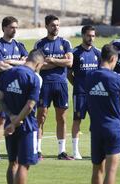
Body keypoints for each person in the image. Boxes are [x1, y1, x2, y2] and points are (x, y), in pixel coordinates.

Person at [0, 49, 44, 184]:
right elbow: (30, 105)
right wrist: (16, 122)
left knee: (12, 163)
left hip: (10, 124)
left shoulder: (8, 73)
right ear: (38, 63)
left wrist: (11, 117)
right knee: (24, 165)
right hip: (27, 127)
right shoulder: (34, 78)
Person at [86, 44, 120, 184]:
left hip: (96, 128)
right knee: (111, 170)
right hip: (113, 128)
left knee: (97, 168)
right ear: (113, 58)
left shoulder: (90, 76)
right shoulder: (118, 78)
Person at [34, 14, 73, 160]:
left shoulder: (65, 43)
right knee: (41, 117)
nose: (55, 28)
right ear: (46, 26)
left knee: (62, 118)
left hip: (61, 84)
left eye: (57, 25)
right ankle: (37, 150)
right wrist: (59, 61)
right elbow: (38, 65)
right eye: (52, 25)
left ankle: (62, 151)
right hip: (44, 85)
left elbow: (70, 63)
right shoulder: (40, 44)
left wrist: (51, 60)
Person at [0, 16, 28, 161]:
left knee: (20, 117)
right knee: (0, 119)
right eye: (12, 27)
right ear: (4, 28)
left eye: (16, 27)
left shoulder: (20, 45)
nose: (14, 30)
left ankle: (18, 148)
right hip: (4, 89)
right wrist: (18, 64)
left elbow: (27, 62)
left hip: (19, 89)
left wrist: (10, 62)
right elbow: (0, 66)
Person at [67, 25, 101, 159]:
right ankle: (75, 150)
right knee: (77, 119)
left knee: (96, 121)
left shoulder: (97, 53)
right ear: (83, 35)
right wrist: (77, 84)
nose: (91, 38)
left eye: (93, 36)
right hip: (80, 93)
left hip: (95, 94)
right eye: (88, 35)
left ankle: (96, 149)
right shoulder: (75, 52)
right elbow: (69, 73)